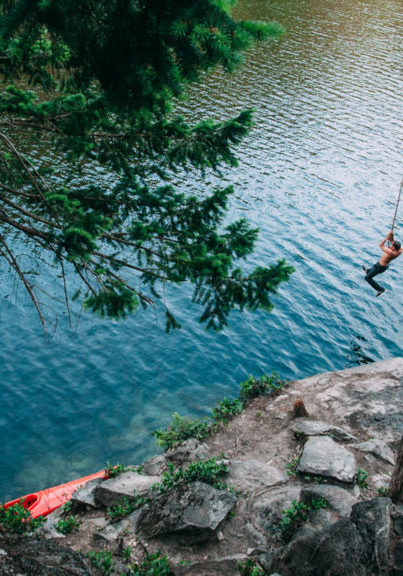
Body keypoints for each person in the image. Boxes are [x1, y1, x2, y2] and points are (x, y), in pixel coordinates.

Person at [363, 231, 402, 296]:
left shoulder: (391, 253)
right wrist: (392, 236)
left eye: (392, 246)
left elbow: (380, 245)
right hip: (382, 264)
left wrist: (386, 238)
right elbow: (393, 242)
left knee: (367, 278)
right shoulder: (400, 250)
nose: (391, 246)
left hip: (381, 267)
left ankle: (381, 290)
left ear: (394, 248)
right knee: (376, 266)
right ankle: (368, 271)